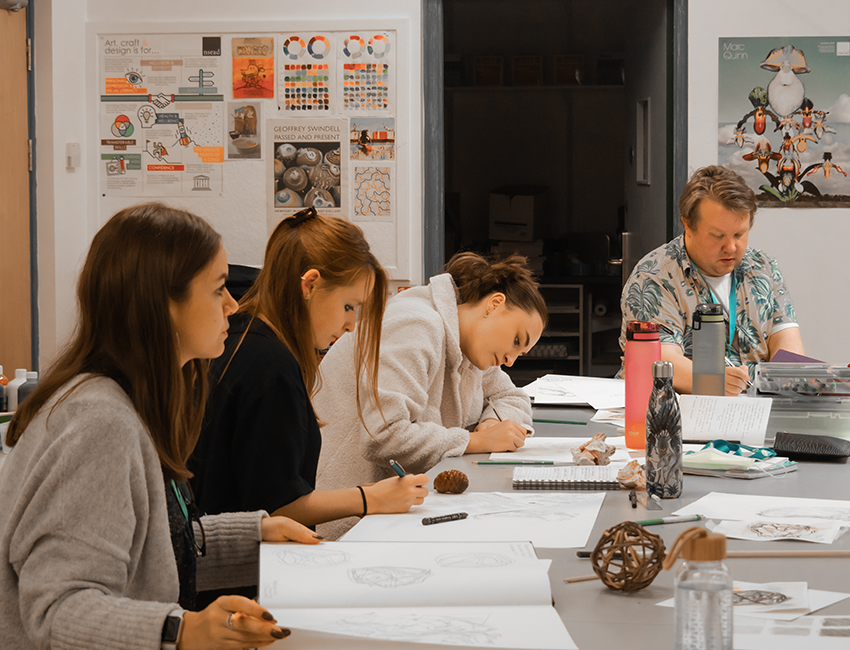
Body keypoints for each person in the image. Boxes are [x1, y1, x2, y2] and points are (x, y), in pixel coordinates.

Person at [0, 202, 319, 650]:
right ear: (164, 304)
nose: (232, 305)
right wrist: (183, 630)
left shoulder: (125, 402)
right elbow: (58, 610)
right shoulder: (99, 423)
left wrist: (256, 534)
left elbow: (158, 547)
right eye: (218, 289)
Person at [190, 208, 428, 533]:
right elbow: (277, 508)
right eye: (349, 307)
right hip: (242, 570)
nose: (349, 326)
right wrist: (370, 498)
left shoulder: (244, 336)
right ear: (311, 284)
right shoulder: (269, 364)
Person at [313, 252, 547, 536]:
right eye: (516, 340)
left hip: (395, 511)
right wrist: (475, 440)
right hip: (348, 522)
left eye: (520, 353)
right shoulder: (415, 323)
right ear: (494, 304)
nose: (511, 360)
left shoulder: (468, 346)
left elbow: (513, 397)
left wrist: (492, 424)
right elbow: (384, 436)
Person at [619, 165, 804, 396]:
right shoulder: (653, 277)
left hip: (754, 412)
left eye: (739, 234)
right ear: (688, 225)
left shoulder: (763, 267)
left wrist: (792, 380)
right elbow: (660, 360)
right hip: (678, 415)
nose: (731, 247)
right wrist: (712, 381)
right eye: (717, 236)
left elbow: (787, 345)